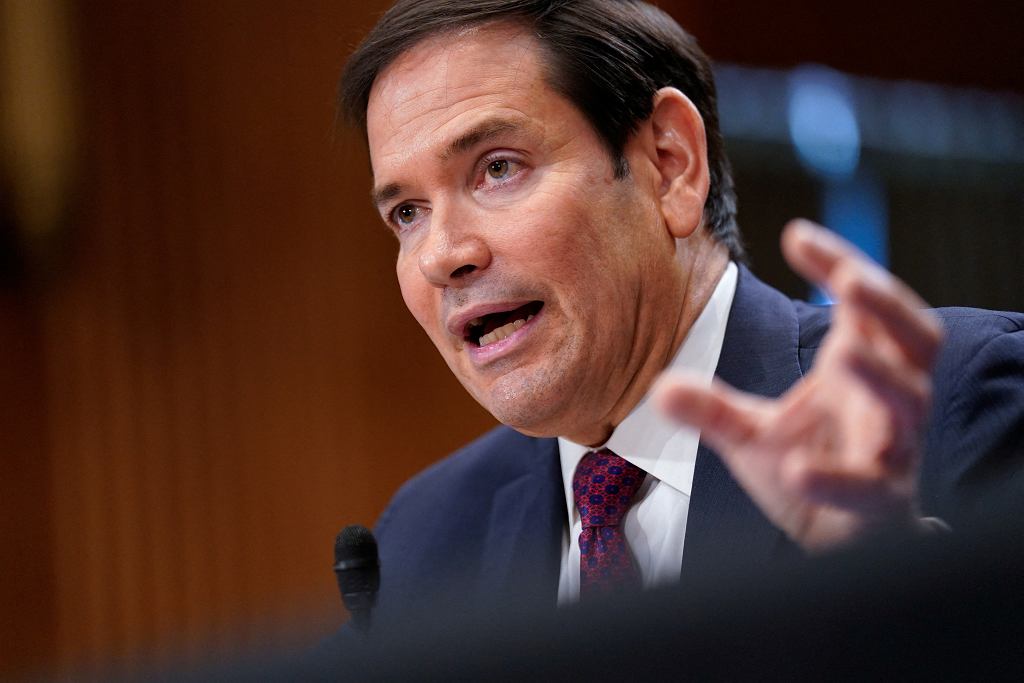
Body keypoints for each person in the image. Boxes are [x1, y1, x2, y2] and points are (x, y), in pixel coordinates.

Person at [336, 0, 1024, 617]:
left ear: (669, 164)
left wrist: (896, 590)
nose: (441, 255)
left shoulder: (956, 401)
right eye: (407, 212)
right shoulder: (426, 543)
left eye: (498, 167)